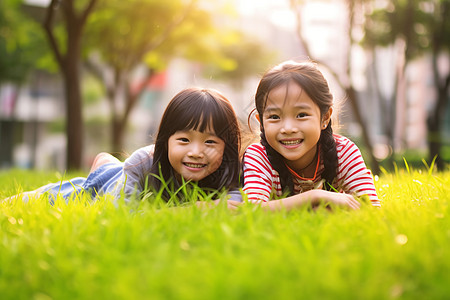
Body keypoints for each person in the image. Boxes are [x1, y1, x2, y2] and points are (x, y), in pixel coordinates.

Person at [10, 87, 242, 205]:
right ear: (165, 140)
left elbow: (236, 208)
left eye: (210, 142)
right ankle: (105, 166)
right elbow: (122, 212)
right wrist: (197, 210)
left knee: (116, 169)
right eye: (184, 140)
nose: (196, 152)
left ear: (227, 148)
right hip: (104, 184)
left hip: (122, 173)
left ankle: (108, 163)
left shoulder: (230, 173)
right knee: (48, 198)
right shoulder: (143, 163)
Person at [241, 60, 381, 211]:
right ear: (261, 122)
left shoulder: (344, 152)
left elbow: (371, 208)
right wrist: (313, 197)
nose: (288, 129)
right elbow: (252, 210)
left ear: (325, 118)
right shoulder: (259, 157)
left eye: (301, 115)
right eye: (275, 117)